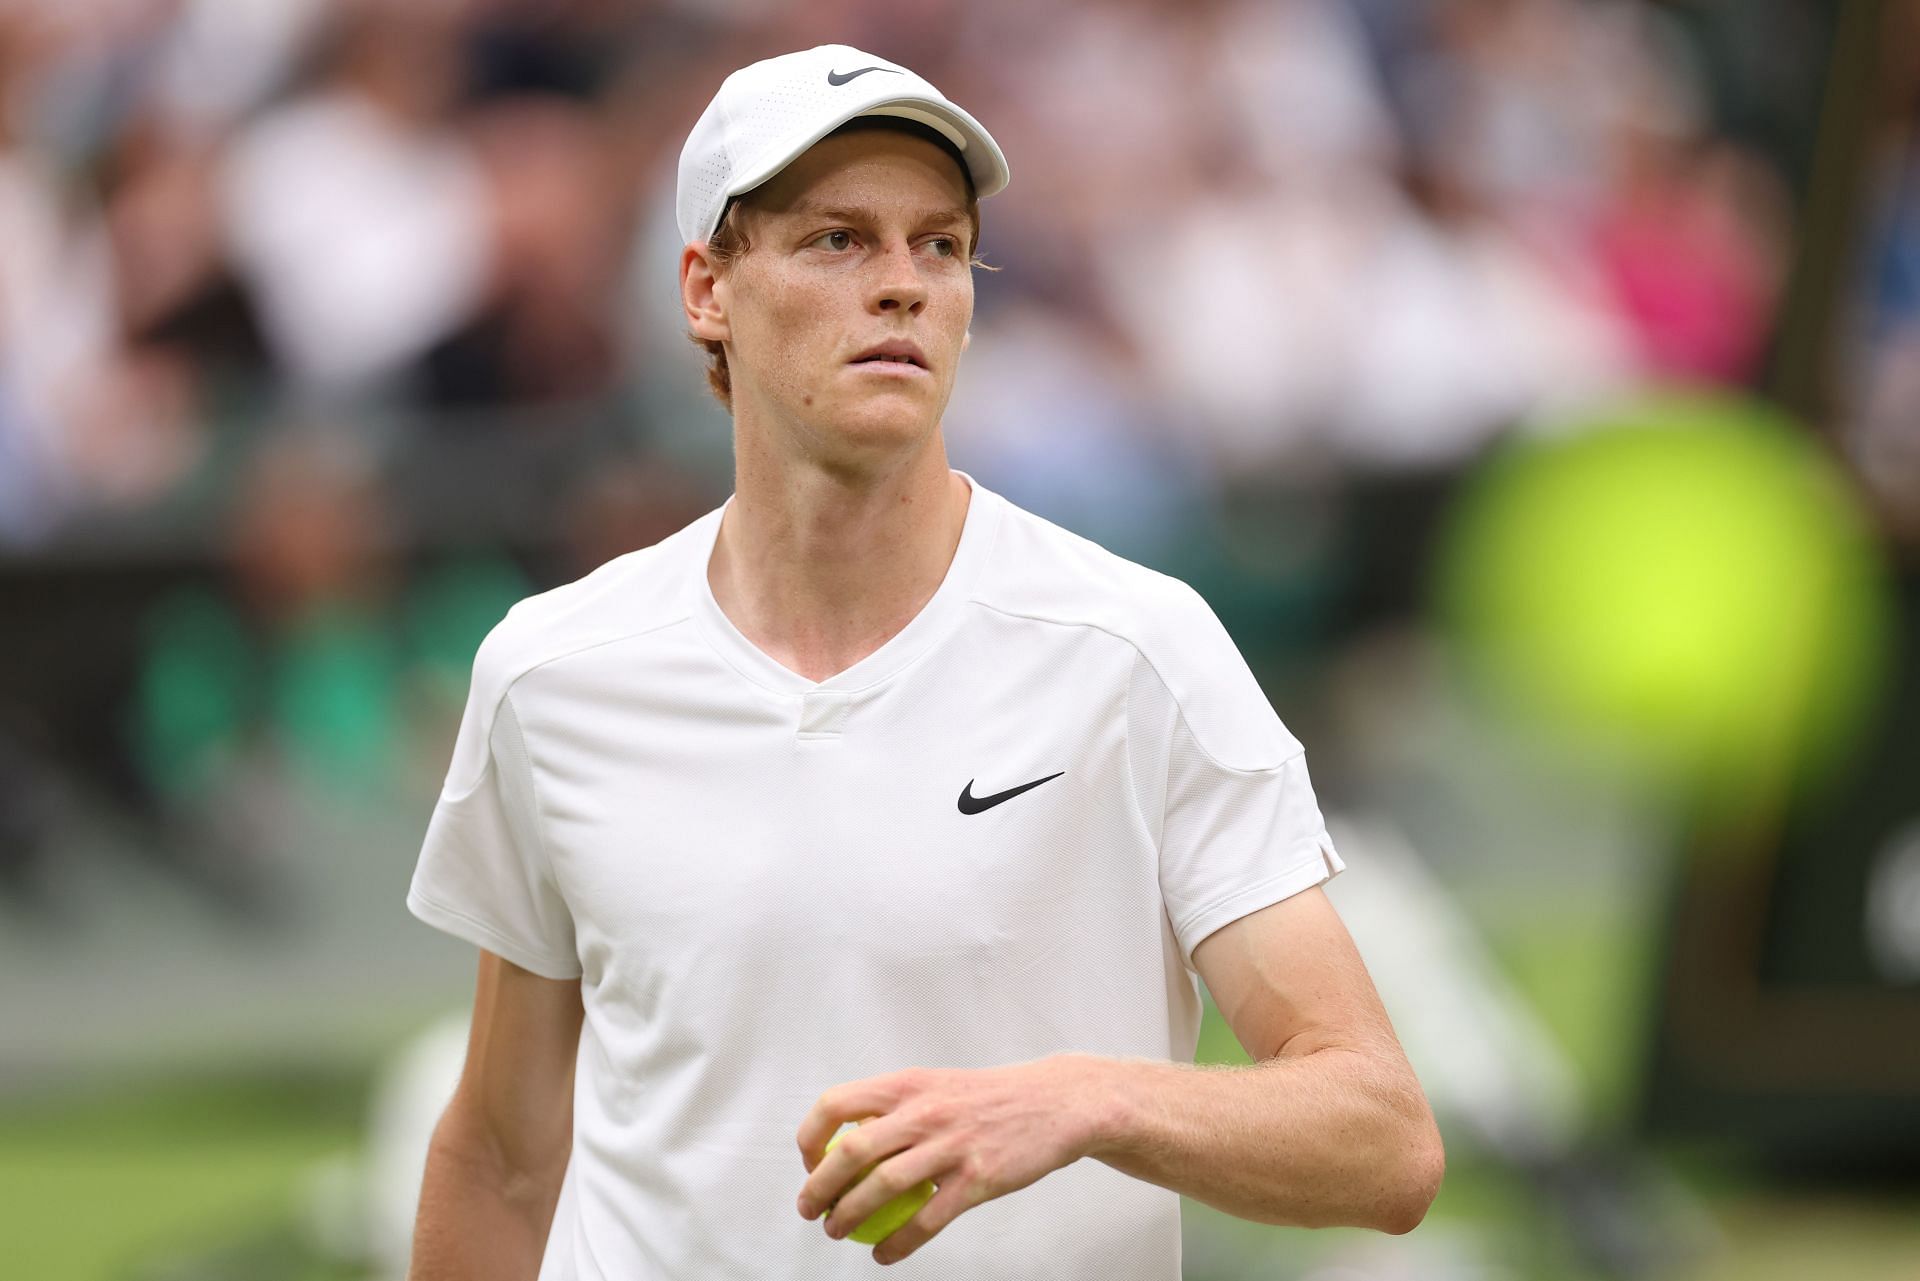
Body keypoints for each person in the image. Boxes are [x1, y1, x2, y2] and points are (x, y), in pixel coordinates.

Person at [403, 43, 1443, 1280]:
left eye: (939, 246)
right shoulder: (552, 672)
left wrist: (1085, 1100)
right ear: (706, 290)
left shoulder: (1134, 650)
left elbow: (1381, 1139)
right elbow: (505, 1155)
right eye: (837, 240)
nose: (901, 285)